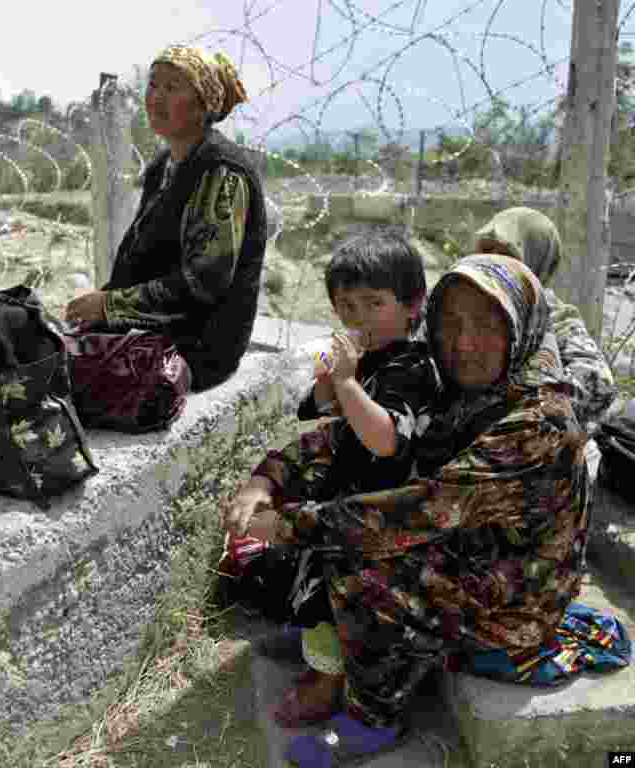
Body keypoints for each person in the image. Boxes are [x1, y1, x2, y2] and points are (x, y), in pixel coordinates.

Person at [225, 255, 590, 766]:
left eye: (486, 327)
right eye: (451, 324)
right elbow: (344, 438)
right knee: (347, 491)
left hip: (517, 599)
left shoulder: (538, 422)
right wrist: (267, 479)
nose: (464, 343)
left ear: (518, 329)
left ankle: (371, 720)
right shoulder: (458, 385)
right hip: (470, 547)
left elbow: (416, 512)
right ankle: (338, 646)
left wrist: (286, 525)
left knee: (362, 558)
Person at [219, 228, 440, 728]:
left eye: (374, 303)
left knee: (329, 580)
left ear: (412, 305)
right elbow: (315, 411)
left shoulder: (413, 367)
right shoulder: (369, 359)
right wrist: (330, 374)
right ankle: (317, 647)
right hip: (348, 494)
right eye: (347, 306)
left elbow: (385, 439)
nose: (360, 319)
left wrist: (345, 382)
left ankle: (328, 681)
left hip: (384, 517)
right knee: (299, 569)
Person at [64, 45, 268, 392]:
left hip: (198, 349)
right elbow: (145, 261)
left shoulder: (222, 173)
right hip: (157, 329)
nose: (156, 97)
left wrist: (110, 306)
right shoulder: (164, 167)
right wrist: (102, 304)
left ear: (203, 104)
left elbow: (203, 283)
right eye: (153, 84)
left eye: (173, 87)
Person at [473, 206, 617, 427]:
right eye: (485, 249)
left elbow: (598, 381)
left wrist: (528, 411)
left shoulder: (553, 317)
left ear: (535, 265)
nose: (490, 262)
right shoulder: (459, 301)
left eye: (506, 255)